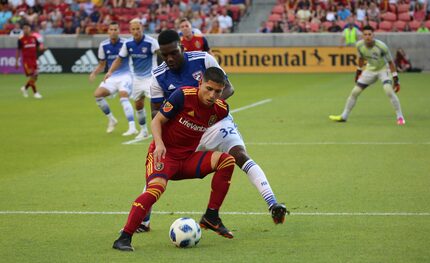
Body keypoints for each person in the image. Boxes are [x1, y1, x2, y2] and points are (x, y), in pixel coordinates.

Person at [136, 30, 287, 233]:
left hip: (214, 121)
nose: (169, 58)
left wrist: (207, 109)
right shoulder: (158, 76)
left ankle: (272, 203)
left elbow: (229, 88)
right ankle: (143, 221)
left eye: (173, 52)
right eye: (164, 55)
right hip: (184, 128)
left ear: (182, 45)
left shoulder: (204, 59)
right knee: (158, 169)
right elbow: (155, 112)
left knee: (239, 155)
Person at [112, 67, 236, 251]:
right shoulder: (182, 95)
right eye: (208, 88)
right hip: (164, 155)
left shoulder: (221, 110)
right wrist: (159, 143)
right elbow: (156, 121)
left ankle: (211, 216)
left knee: (227, 161)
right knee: (155, 190)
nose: (212, 95)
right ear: (200, 82)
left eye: (217, 91)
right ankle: (124, 238)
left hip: (187, 160)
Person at [329, 25, 405, 125]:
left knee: (388, 91)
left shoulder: (381, 46)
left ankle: (400, 117)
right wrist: (358, 72)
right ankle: (344, 116)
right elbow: (361, 59)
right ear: (363, 36)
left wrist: (396, 78)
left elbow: (391, 62)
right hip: (370, 69)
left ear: (373, 35)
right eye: (365, 34)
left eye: (370, 34)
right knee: (355, 92)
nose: (367, 36)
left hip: (383, 69)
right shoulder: (359, 45)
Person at [105, 18, 159, 140]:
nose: (136, 31)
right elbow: (119, 59)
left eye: (138, 29)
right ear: (130, 30)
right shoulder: (128, 44)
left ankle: (162, 131)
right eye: (133, 29)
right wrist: (110, 72)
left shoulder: (151, 42)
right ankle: (144, 131)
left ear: (142, 29)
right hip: (136, 80)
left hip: (151, 78)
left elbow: (161, 55)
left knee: (156, 105)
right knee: (138, 105)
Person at [90, 21, 137, 135]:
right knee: (97, 95)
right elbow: (102, 64)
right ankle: (112, 119)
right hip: (111, 76)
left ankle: (132, 127)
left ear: (118, 31)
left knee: (123, 96)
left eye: (115, 29)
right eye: (111, 29)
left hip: (126, 75)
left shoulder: (126, 43)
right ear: (108, 31)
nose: (113, 32)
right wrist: (94, 73)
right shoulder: (103, 45)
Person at [16, 22, 43, 99]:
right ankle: (35, 93)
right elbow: (18, 50)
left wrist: (42, 49)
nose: (25, 30)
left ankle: (25, 88)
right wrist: (16, 61)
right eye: (24, 28)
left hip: (34, 60)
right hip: (26, 61)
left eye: (27, 28)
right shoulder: (21, 39)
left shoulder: (34, 38)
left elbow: (38, 48)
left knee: (35, 76)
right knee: (33, 75)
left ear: (30, 29)